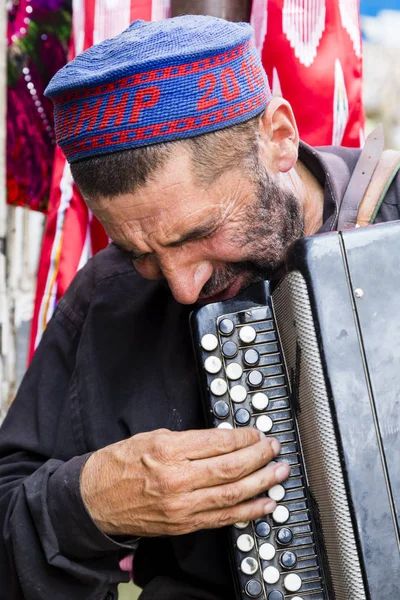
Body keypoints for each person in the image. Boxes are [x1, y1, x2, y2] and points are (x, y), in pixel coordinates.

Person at [0, 15, 399, 600]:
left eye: (199, 233)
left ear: (279, 136)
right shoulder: (110, 296)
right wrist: (89, 503)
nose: (182, 289)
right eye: (139, 253)